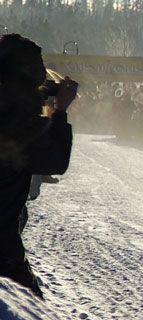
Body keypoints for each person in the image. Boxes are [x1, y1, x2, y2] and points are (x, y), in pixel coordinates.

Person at [0, 34, 76, 297]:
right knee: (32, 318)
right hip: (3, 246)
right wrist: (60, 111)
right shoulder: (17, 118)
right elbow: (55, 159)